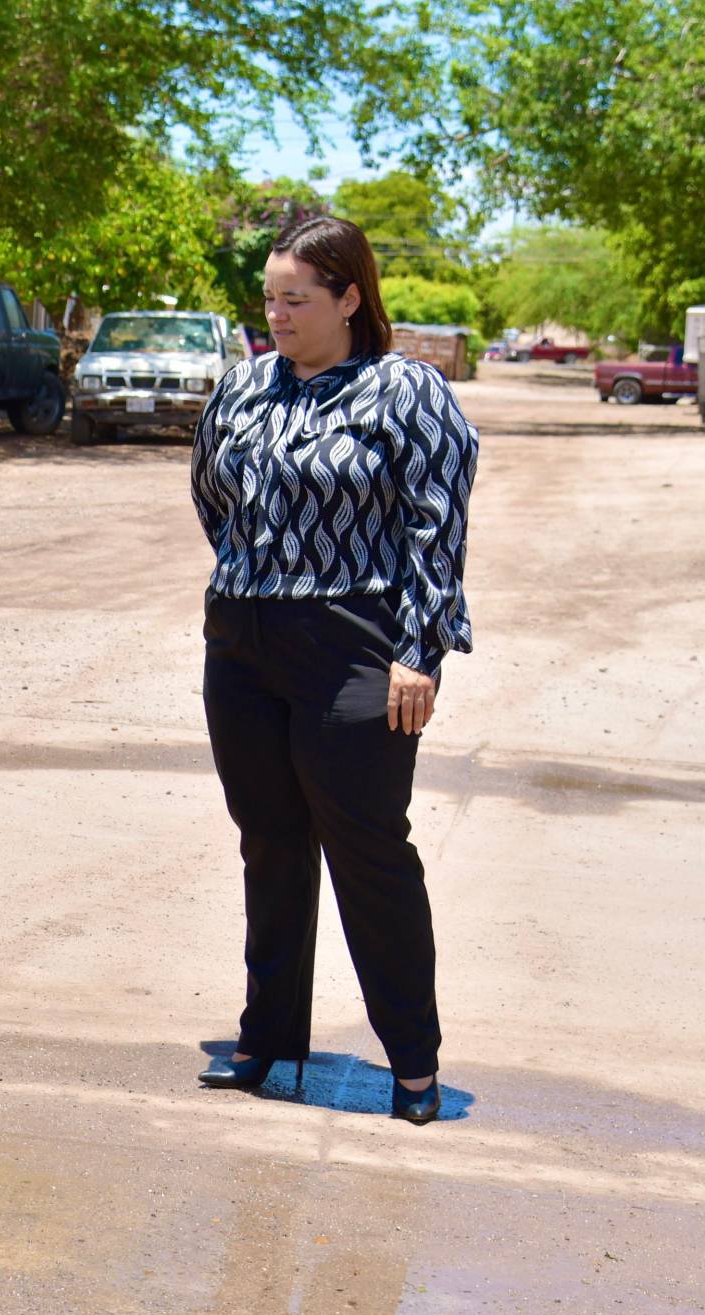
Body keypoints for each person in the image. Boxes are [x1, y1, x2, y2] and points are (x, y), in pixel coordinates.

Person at [189, 216, 478, 1124]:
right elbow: (211, 494)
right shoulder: (243, 388)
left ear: (350, 299)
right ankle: (267, 1034)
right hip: (242, 641)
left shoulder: (408, 393)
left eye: (296, 299)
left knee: (367, 847)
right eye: (270, 297)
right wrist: (258, 579)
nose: (276, 314)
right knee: (268, 839)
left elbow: (439, 527)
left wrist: (418, 651)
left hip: (355, 642)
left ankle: (414, 1062)